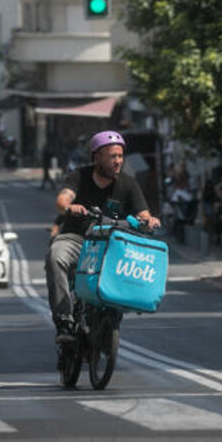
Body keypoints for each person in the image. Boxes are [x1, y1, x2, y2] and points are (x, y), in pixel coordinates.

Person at [45, 131, 161, 344]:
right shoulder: (78, 177)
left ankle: (111, 318)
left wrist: (149, 220)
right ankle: (64, 320)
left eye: (120, 156)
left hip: (111, 246)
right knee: (56, 256)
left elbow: (143, 213)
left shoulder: (128, 183)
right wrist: (70, 207)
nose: (117, 161)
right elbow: (62, 201)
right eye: (112, 156)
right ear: (96, 157)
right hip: (77, 239)